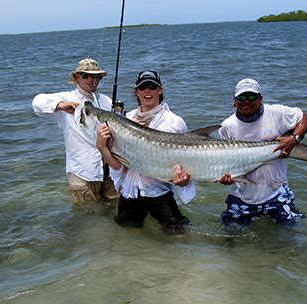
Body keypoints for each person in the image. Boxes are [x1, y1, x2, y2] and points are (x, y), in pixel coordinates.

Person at [96, 70, 196, 235]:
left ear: (160, 90)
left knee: (178, 236)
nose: (147, 91)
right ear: (136, 92)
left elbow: (185, 162)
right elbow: (119, 165)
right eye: (143, 87)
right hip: (130, 194)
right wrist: (102, 148)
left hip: (160, 193)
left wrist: (183, 181)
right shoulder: (125, 119)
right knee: (128, 239)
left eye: (152, 86)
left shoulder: (175, 122)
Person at [219, 78, 307, 230]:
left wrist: (293, 140)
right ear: (234, 101)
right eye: (241, 97)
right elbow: (226, 164)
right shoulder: (227, 127)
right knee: (229, 238)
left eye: (252, 96)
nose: (246, 101)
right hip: (242, 195)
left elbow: (305, 118)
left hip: (275, 192)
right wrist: (226, 178)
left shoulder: (276, 113)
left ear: (261, 98)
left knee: (293, 235)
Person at [32, 58, 119, 208]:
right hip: (82, 172)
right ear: (77, 77)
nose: (91, 80)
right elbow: (37, 103)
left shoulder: (106, 101)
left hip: (110, 171)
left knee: (115, 211)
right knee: (88, 218)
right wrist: (61, 106)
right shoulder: (67, 98)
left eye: (95, 76)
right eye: (86, 76)